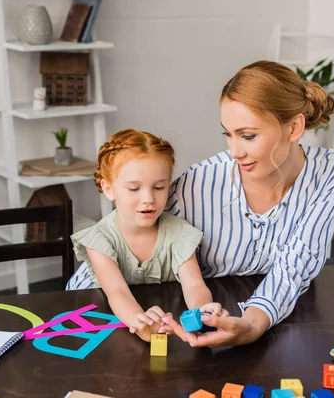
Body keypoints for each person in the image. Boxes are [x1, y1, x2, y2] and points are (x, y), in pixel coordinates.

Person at [162, 60, 334, 347]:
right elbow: (121, 242)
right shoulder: (198, 184)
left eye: (248, 136)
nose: (234, 152)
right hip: (175, 325)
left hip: (278, 328)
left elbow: (297, 264)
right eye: (227, 134)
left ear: (294, 128)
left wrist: (252, 324)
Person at [66, 128, 221, 342]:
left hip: (155, 306)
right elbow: (117, 293)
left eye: (159, 187)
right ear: (109, 189)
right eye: (133, 189)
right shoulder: (99, 239)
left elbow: (194, 284)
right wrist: (140, 324)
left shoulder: (180, 233)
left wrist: (203, 312)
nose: (148, 198)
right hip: (97, 315)